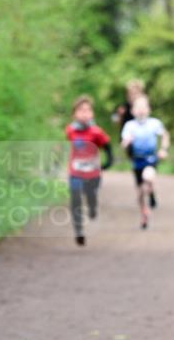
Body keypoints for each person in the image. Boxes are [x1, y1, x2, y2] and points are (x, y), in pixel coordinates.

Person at [65, 95, 113, 246]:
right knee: (75, 199)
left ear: (92, 114)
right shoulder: (71, 130)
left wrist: (108, 162)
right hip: (76, 171)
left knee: (90, 196)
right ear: (74, 114)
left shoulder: (97, 132)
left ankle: (92, 207)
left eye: (87, 110)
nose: (84, 113)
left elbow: (107, 146)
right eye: (80, 110)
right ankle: (79, 231)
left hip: (93, 172)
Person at [121, 94, 170, 228]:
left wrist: (164, 149)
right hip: (137, 161)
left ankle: (152, 191)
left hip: (151, 159)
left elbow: (165, 135)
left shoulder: (154, 123)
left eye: (144, 107)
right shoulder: (129, 125)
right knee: (140, 194)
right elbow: (124, 143)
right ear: (132, 111)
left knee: (148, 176)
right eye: (138, 107)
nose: (141, 110)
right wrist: (127, 142)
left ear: (149, 109)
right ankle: (144, 214)